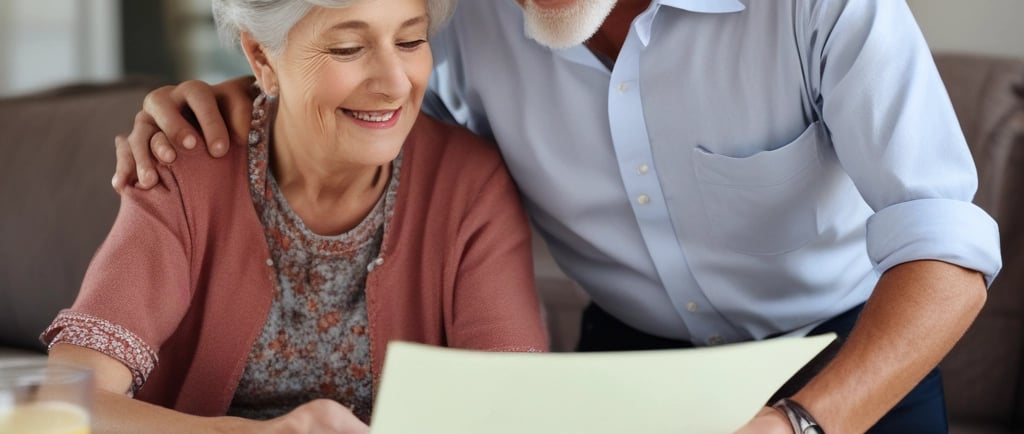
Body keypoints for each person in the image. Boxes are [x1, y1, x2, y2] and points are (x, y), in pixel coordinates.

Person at [112, 0, 1002, 433]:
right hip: (631, 366)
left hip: (845, 357)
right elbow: (372, 98)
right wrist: (252, 93)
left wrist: (801, 426)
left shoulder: (818, 5)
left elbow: (944, 241)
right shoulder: (463, 25)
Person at [42, 0, 548, 432]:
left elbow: (515, 411)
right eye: (347, 48)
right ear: (262, 57)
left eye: (411, 41)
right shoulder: (186, 169)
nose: (394, 84)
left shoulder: (471, 186)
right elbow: (67, 403)